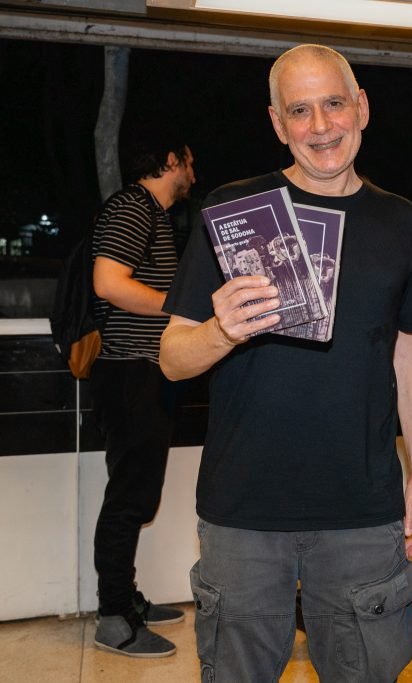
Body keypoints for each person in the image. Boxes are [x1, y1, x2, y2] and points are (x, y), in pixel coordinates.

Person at [159, 44, 412, 682]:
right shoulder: (232, 213)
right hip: (243, 516)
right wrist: (222, 330)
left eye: (334, 104)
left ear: (361, 108)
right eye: (299, 112)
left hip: (364, 513)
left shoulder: (400, 220)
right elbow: (172, 359)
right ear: (278, 124)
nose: (321, 126)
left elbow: (409, 348)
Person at [90, 129, 195, 658]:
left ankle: (124, 599)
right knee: (128, 500)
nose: (192, 174)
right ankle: (114, 619)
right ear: (172, 159)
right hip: (131, 372)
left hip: (141, 373)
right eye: (189, 163)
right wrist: (178, 309)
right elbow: (108, 283)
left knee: (133, 495)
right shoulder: (134, 207)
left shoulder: (149, 213)